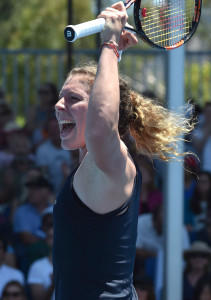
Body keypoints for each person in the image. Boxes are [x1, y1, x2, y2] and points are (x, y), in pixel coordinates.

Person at [53, 2, 194, 299]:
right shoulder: (91, 164)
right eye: (60, 96)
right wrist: (114, 52)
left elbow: (100, 126)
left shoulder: (112, 162)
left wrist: (110, 44)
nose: (58, 104)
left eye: (72, 98)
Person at [27, 224, 54, 300]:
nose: (55, 240)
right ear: (46, 241)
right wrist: (53, 284)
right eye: (51, 237)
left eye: (58, 236)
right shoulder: (37, 266)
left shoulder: (75, 264)